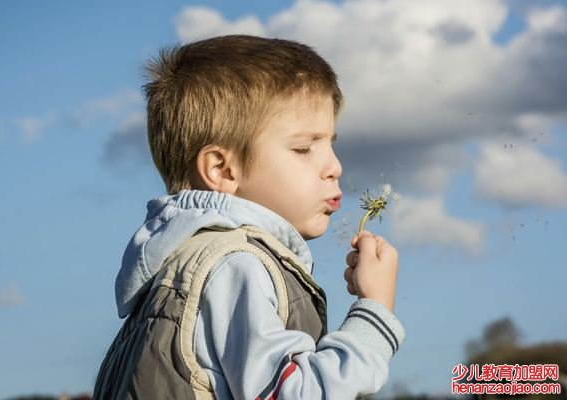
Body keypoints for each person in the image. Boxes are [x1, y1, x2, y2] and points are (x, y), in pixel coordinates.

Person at [93, 34, 405, 400]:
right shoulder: (234, 265)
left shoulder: (182, 266)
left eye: (331, 144)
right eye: (304, 148)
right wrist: (374, 310)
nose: (334, 167)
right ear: (222, 169)